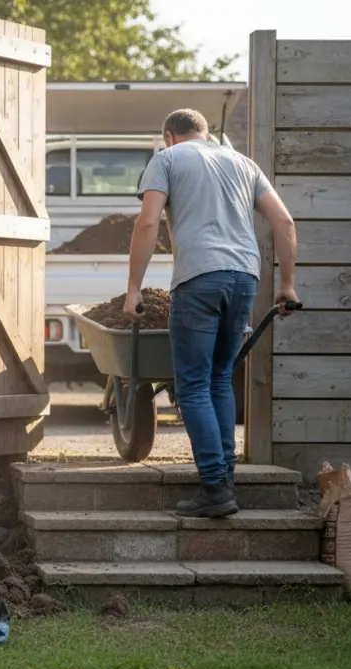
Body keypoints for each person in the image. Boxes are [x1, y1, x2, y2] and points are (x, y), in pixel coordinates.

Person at [123, 108, 299, 518]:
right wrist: (287, 285)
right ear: (205, 134)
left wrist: (133, 289)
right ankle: (225, 481)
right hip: (245, 279)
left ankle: (214, 488)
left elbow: (148, 223)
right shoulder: (243, 163)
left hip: (200, 278)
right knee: (220, 378)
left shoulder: (166, 159)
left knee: (193, 386)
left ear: (169, 136)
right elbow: (284, 220)